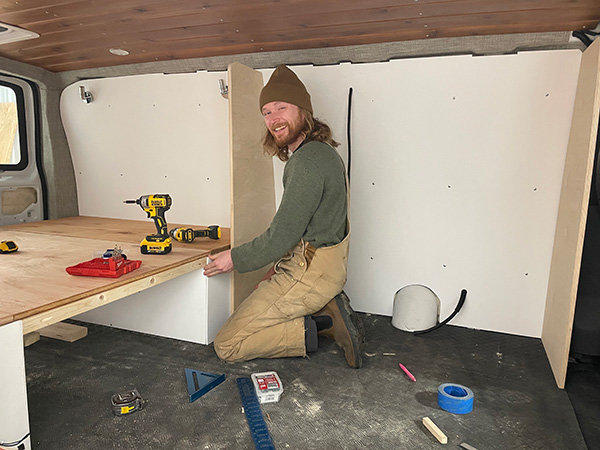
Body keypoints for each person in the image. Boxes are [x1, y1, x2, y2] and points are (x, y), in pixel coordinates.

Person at [203, 64, 364, 368]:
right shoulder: (321, 153)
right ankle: (323, 309)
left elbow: (282, 235)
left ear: (304, 110)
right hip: (319, 268)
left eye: (282, 107)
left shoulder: (306, 163)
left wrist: (233, 258)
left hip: (310, 276)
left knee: (227, 344)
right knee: (253, 314)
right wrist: (276, 269)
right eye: (266, 111)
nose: (273, 118)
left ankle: (319, 326)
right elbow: (304, 229)